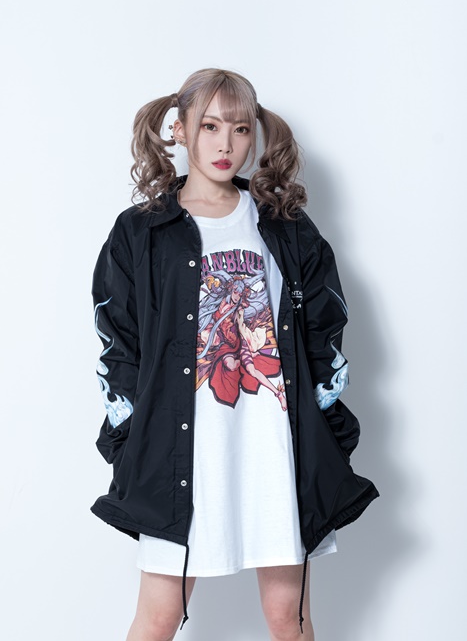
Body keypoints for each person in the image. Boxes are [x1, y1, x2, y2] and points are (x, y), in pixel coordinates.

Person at [90, 68, 380, 641]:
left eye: (241, 128)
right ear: (180, 130)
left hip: (273, 446)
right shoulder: (141, 232)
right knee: (159, 618)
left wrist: (327, 424)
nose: (226, 144)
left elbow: (325, 326)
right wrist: (127, 433)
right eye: (210, 126)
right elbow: (117, 338)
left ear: (254, 135)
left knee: (287, 619)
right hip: (181, 450)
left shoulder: (284, 227)